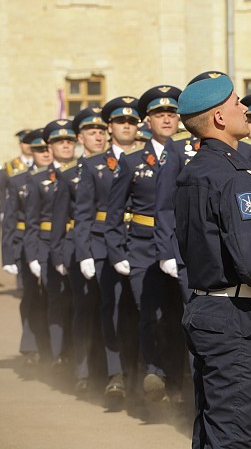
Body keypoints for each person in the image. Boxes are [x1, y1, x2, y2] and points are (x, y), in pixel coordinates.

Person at [175, 72, 251, 448]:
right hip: (234, 316)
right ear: (219, 118)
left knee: (211, 426)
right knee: (234, 433)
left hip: (204, 308)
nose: (245, 109)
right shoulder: (235, 174)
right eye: (237, 103)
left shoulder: (194, 170)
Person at [104, 85, 183, 403]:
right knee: (148, 312)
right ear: (146, 121)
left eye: (171, 114)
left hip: (179, 247)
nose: (166, 119)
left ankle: (178, 379)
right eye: (158, 114)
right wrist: (116, 251)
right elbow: (113, 215)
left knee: (180, 314)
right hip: (142, 248)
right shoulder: (132, 160)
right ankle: (154, 371)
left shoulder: (191, 155)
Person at [74, 95, 141, 403]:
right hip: (103, 243)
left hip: (142, 241)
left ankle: (144, 373)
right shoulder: (93, 165)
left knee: (145, 309)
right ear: (110, 127)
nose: (126, 127)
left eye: (131, 122)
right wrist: (84, 252)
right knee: (111, 309)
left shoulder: (150, 158)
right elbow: (84, 213)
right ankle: (116, 374)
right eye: (120, 122)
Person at [50, 107, 108, 392]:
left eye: (101, 131)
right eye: (91, 132)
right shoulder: (68, 174)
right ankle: (84, 371)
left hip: (108, 246)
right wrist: (59, 254)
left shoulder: (115, 167)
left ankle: (111, 371)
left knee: (111, 310)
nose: (97, 137)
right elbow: (60, 220)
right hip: (78, 248)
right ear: (80, 138)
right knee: (84, 310)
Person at [22, 120, 77, 372]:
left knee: (80, 301)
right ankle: (58, 355)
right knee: (56, 300)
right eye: (59, 141)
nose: (65, 145)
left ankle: (78, 355)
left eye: (69, 141)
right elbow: (31, 222)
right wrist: (32, 255)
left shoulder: (83, 171)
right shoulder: (37, 179)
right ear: (50, 147)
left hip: (77, 244)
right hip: (46, 246)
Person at [2, 129, 52, 366]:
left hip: (54, 240)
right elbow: (10, 218)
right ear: (31, 151)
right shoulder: (19, 179)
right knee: (31, 294)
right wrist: (8, 255)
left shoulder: (63, 175)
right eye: (39, 149)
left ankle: (54, 345)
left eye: (46, 148)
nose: (44, 153)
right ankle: (31, 345)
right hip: (26, 241)